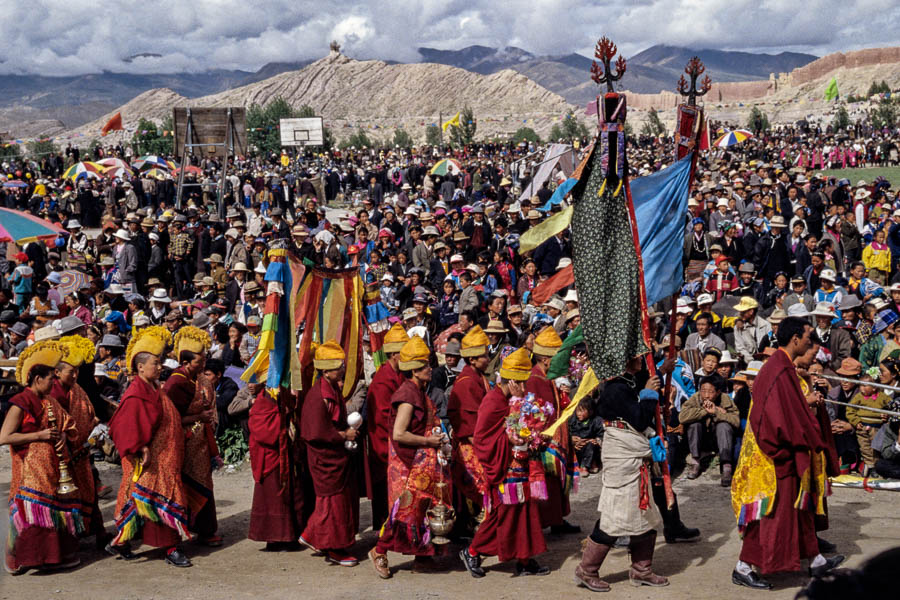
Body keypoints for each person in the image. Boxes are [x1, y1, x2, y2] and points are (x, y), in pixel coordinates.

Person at [731, 317, 844, 589]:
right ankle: (743, 566)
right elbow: (773, 418)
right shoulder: (777, 370)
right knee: (772, 511)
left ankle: (815, 560)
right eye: (807, 336)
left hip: (789, 451)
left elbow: (791, 408)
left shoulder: (784, 368)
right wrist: (799, 442)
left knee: (801, 506)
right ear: (795, 338)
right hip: (775, 456)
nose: (810, 341)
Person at [574, 354, 669, 591]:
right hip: (623, 456)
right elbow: (638, 419)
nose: (642, 361)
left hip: (633, 455)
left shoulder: (626, 382)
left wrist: (660, 371)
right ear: (625, 361)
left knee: (644, 512)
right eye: (638, 357)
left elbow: (645, 380)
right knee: (614, 517)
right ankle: (587, 570)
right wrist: (648, 393)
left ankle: (641, 570)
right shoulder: (615, 389)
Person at [460, 347, 551, 578]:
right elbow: (481, 439)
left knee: (526, 512)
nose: (523, 388)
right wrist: (508, 438)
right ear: (510, 381)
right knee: (504, 515)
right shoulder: (493, 401)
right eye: (520, 383)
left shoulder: (516, 401)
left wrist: (533, 436)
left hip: (521, 465)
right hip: (503, 468)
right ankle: (472, 551)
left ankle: (524, 559)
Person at [107, 326, 193, 567]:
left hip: (166, 457)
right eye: (155, 363)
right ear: (140, 367)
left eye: (160, 362)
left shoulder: (155, 387)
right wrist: (140, 447)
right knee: (156, 499)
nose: (160, 366)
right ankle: (170, 548)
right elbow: (125, 427)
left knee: (141, 500)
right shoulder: (136, 393)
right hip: (151, 460)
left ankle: (121, 541)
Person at [369, 336, 450, 578]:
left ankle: (422, 557)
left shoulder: (418, 390)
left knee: (423, 510)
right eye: (425, 365)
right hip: (406, 465)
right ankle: (379, 551)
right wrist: (429, 441)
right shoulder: (407, 395)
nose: (430, 369)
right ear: (414, 369)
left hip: (420, 462)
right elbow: (399, 433)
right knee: (404, 513)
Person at [2, 341, 81, 574]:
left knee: (54, 509)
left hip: (53, 467)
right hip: (28, 467)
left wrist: (64, 436)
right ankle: (21, 558)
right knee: (32, 508)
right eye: (50, 379)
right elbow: (4, 436)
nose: (53, 383)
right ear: (37, 379)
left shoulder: (50, 402)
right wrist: (40, 435)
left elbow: (68, 424)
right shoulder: (20, 403)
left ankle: (52, 557)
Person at [299, 341, 360, 567]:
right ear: (325, 370)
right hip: (324, 457)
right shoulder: (318, 396)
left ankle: (317, 537)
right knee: (332, 504)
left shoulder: (332, 388)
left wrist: (348, 430)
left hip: (336, 456)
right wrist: (344, 435)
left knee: (335, 503)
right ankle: (332, 547)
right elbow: (315, 432)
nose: (342, 370)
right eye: (338, 368)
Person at [163, 326, 221, 547]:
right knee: (184, 484)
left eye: (205, 358)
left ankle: (206, 529)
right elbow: (171, 418)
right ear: (185, 362)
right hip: (183, 442)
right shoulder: (175, 383)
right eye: (200, 361)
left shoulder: (202, 379)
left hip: (202, 442)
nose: (204, 364)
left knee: (204, 482)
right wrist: (198, 416)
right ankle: (188, 528)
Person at [53, 335, 108, 547]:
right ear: (57, 372)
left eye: (77, 370)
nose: (76, 375)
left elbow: (88, 412)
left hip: (83, 450)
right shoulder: (54, 393)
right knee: (68, 497)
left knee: (90, 490)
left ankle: (99, 533)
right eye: (71, 371)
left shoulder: (77, 390)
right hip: (65, 454)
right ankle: (72, 538)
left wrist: (92, 423)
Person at [527, 326, 579, 533]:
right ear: (546, 359)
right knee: (547, 481)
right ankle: (545, 522)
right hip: (546, 440)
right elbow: (535, 414)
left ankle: (558, 519)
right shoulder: (534, 380)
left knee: (558, 481)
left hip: (558, 436)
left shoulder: (548, 377)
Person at [247, 375, 305, 551]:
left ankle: (289, 536)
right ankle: (274, 538)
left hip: (285, 454)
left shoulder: (282, 397)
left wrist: (288, 414)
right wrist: (283, 418)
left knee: (290, 495)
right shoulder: (263, 401)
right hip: (271, 457)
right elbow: (263, 431)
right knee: (273, 497)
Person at [364, 322, 408, 528]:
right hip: (383, 441)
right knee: (384, 483)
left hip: (394, 436)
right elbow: (384, 417)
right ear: (393, 355)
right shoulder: (383, 380)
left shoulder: (398, 374)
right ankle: (383, 525)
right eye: (403, 353)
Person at [447, 325, 490, 528]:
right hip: (469, 443)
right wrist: (483, 446)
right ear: (472, 359)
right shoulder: (466, 383)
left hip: (478, 439)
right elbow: (468, 420)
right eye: (484, 356)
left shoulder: (478, 378)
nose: (488, 359)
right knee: (477, 484)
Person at [678, 373, 740, 486]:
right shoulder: (695, 398)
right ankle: (696, 462)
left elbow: (736, 421)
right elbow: (682, 417)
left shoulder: (725, 399)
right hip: (700, 441)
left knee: (723, 426)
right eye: (703, 391)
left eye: (710, 392)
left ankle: (726, 466)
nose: (706, 395)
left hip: (719, 441)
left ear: (718, 392)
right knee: (694, 424)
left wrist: (716, 412)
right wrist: (705, 411)